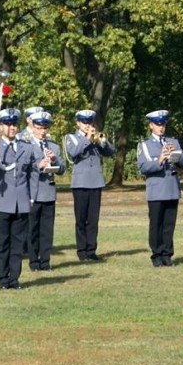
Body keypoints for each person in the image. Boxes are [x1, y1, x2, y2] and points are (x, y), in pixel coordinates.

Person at [0, 108, 36, 290]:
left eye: (14, 124)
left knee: (17, 244)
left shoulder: (26, 147)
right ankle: (2, 278)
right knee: (1, 242)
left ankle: (14, 278)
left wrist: (31, 198)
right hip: (0, 200)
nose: (12, 128)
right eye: (8, 124)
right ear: (1, 127)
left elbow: (32, 174)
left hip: (20, 201)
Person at [137, 110, 183, 267]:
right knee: (156, 224)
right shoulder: (144, 144)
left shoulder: (173, 141)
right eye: (158, 124)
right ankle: (156, 255)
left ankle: (167, 255)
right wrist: (159, 159)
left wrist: (176, 155)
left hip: (172, 188)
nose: (161, 127)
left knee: (169, 224)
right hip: (156, 190)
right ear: (151, 125)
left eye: (163, 124)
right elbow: (143, 167)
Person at [65, 109, 115, 261]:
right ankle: (82, 251)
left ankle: (91, 250)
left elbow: (110, 152)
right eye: (84, 122)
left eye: (90, 122)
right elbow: (73, 153)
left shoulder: (96, 137)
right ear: (78, 123)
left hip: (95, 182)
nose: (87, 125)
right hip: (80, 183)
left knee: (93, 219)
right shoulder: (71, 137)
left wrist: (103, 141)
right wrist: (87, 139)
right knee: (81, 219)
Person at [28, 112, 65, 271]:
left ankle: (45, 261)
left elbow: (63, 169)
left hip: (48, 192)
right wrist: (39, 164)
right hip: (32, 193)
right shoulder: (27, 145)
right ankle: (33, 262)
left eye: (45, 128)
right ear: (33, 127)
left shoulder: (53, 146)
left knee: (46, 231)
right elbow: (23, 167)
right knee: (32, 230)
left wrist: (54, 160)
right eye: (39, 127)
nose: (42, 131)